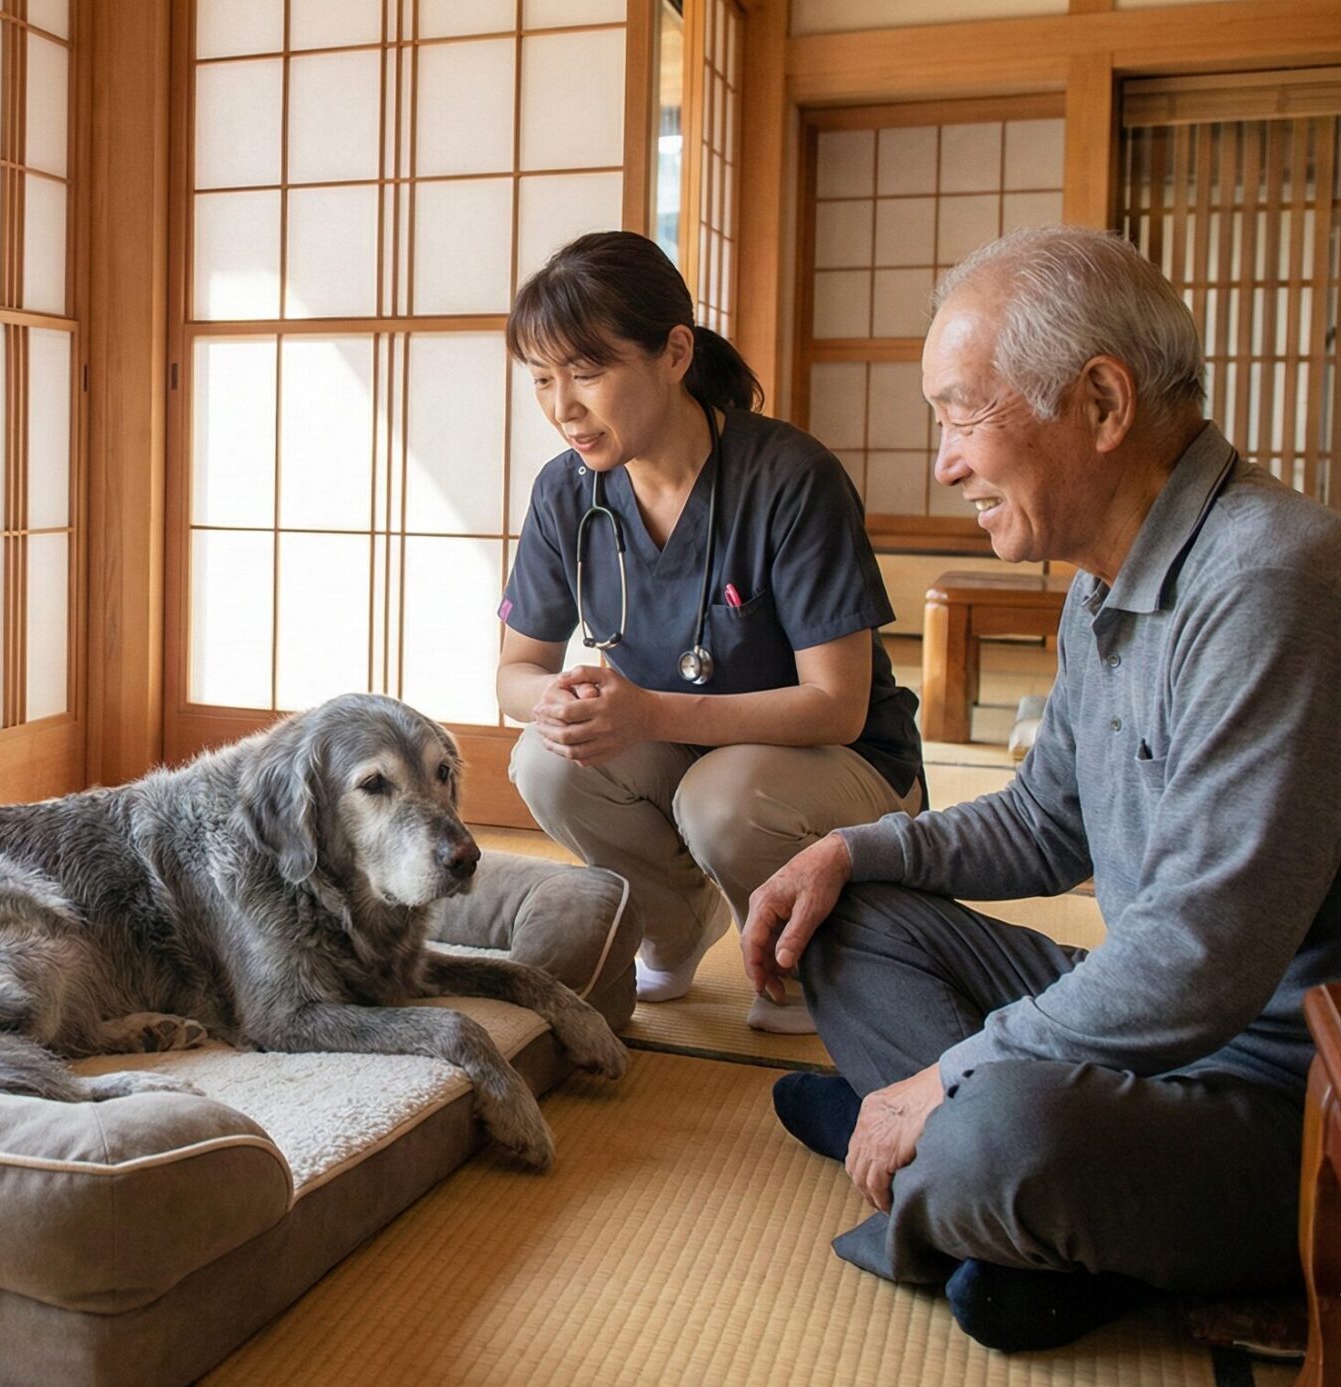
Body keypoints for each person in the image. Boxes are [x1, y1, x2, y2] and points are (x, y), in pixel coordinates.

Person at [744, 225, 1341, 1351]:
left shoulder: (1275, 577)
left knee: (998, 1134)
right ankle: (1006, 1224)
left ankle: (944, 1177)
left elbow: (1201, 961)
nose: (946, 462)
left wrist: (957, 1075)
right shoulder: (1102, 578)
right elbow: (1043, 819)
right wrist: (851, 850)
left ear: (1103, 404)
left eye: (963, 412)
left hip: (1281, 1098)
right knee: (849, 918)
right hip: (1151, 1035)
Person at [496, 231, 923, 1033]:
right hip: (688, 760)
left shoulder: (789, 478)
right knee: (545, 763)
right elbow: (516, 667)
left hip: (838, 766)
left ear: (674, 352)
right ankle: (674, 926)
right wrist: (551, 702)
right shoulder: (565, 494)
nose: (563, 408)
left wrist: (649, 714)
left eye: (587, 374)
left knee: (721, 797)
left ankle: (812, 958)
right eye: (542, 379)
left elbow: (838, 705)